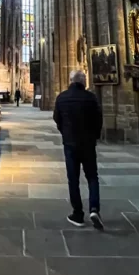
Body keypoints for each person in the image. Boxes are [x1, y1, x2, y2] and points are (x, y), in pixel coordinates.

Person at [53, 70, 104, 230]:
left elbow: (57, 118)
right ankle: (94, 209)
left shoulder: (61, 97)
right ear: (83, 81)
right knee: (92, 177)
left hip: (70, 143)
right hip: (88, 143)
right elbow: (99, 119)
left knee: (73, 179)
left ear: (70, 80)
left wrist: (65, 132)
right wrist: (94, 136)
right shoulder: (91, 97)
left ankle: (78, 214)